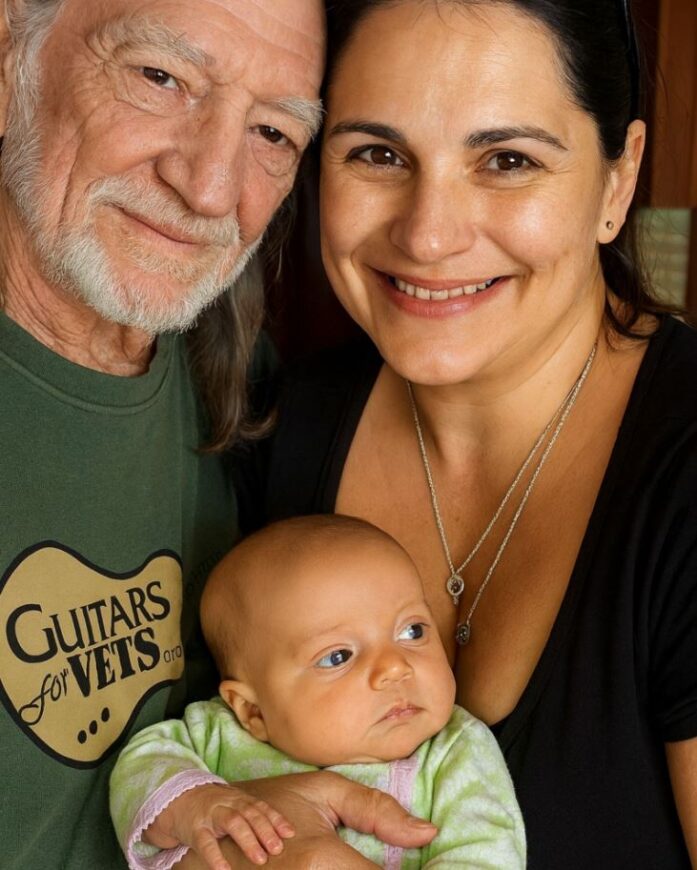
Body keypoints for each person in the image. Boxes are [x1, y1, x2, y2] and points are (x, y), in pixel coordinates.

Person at [222, 0, 695, 867]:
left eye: (507, 160)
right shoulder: (269, 426)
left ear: (617, 180)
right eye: (377, 153)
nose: (428, 235)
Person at [0, 1, 436, 867]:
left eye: (273, 133)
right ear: (11, 46)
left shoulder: (246, 394)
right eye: (159, 78)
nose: (208, 189)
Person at [111, 515, 526, 869]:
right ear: (253, 711)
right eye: (338, 656)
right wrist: (193, 804)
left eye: (412, 631)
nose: (395, 667)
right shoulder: (219, 734)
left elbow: (486, 854)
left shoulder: (455, 751)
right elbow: (141, 763)